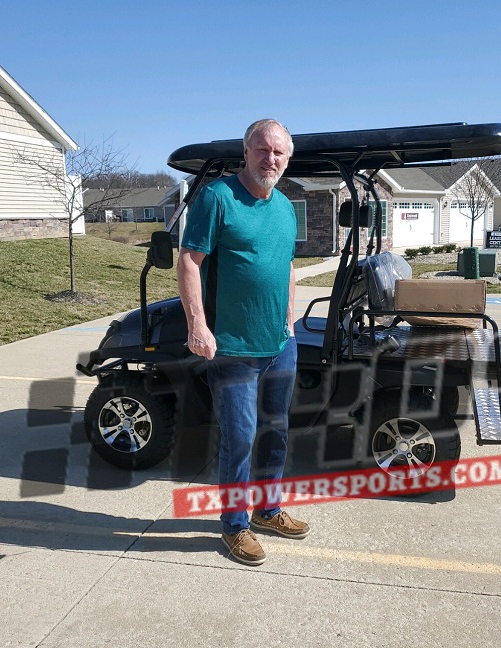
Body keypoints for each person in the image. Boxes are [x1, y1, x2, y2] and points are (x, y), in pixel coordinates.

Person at [176, 119, 310, 566]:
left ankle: (268, 510)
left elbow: (286, 264)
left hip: (279, 344)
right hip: (233, 347)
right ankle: (235, 526)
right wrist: (198, 325)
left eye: (279, 153)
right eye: (262, 149)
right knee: (241, 437)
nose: (270, 159)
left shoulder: (286, 207)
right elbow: (189, 262)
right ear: (246, 152)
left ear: (287, 158)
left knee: (276, 432)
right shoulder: (217, 197)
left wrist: (289, 319)